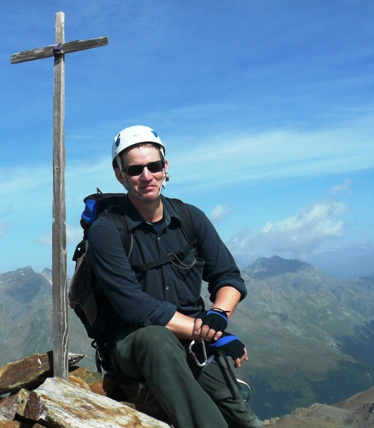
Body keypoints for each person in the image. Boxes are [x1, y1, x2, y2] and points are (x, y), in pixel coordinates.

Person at [87, 125, 261, 428]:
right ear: (120, 175)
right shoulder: (107, 230)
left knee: (245, 421)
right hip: (133, 343)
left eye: (154, 166)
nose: (147, 176)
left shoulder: (190, 218)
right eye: (135, 169)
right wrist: (210, 334)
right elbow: (136, 309)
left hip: (192, 338)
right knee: (156, 339)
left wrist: (219, 314)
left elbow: (228, 277)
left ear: (165, 167)